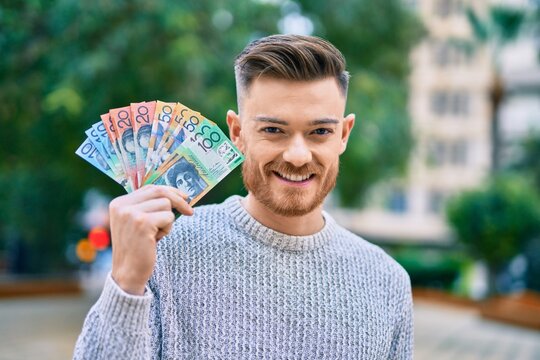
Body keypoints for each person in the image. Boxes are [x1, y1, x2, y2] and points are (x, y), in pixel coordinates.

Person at [73, 34, 413, 359]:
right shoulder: (164, 251)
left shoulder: (387, 282)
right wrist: (127, 282)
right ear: (237, 132)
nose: (297, 155)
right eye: (273, 130)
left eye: (320, 132)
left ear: (344, 134)